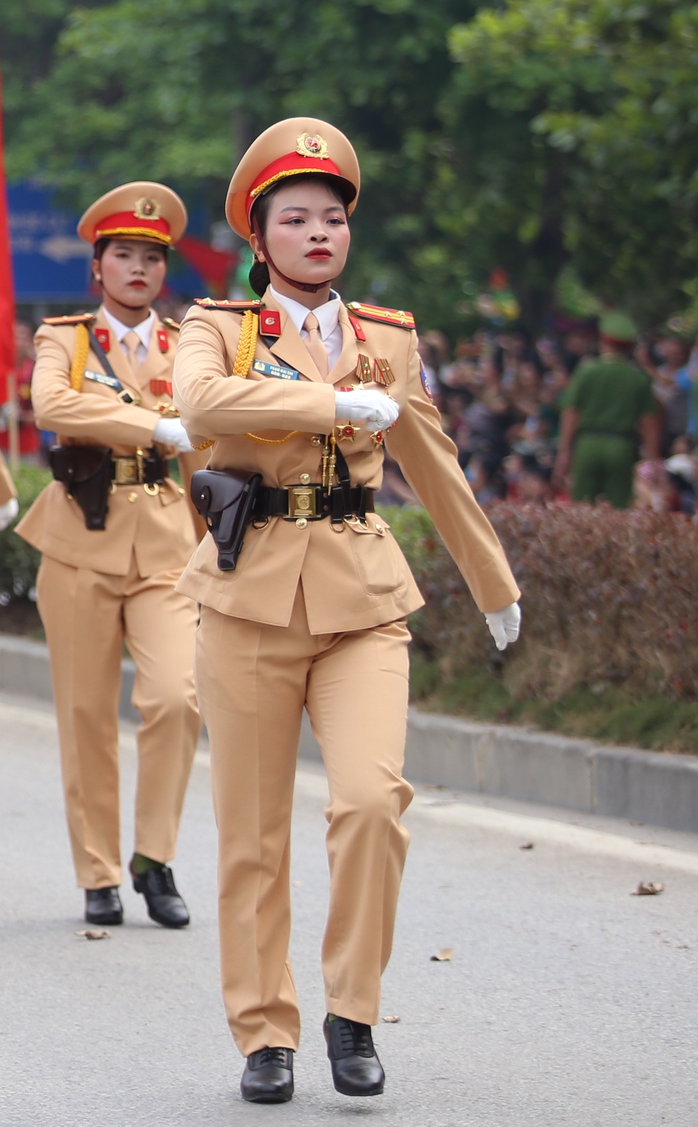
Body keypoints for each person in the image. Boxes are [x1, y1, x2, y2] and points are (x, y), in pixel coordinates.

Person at [177, 118, 521, 1104]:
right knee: (250, 832)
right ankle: (263, 1031)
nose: (319, 234)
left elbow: (436, 466)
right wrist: (330, 409)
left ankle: (352, 1009)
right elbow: (199, 406)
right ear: (260, 238)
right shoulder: (219, 326)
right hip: (246, 600)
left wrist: (492, 583)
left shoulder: (386, 339)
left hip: (362, 596)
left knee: (371, 803)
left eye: (332, 218)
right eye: (296, 219)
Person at [14, 183, 203, 928]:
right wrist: (154, 424)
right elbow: (53, 406)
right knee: (86, 713)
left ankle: (155, 855)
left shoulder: (187, 343)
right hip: (78, 539)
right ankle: (98, 868)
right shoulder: (65, 337)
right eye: (123, 254)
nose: (137, 268)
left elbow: (208, 431)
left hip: (163, 537)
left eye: (151, 257)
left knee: (176, 698)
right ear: (98, 266)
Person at [555, 313, 661, 509]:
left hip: (587, 445)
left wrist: (564, 452)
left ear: (602, 340)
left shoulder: (586, 371)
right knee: (619, 509)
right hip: (621, 446)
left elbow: (571, 413)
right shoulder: (637, 377)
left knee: (582, 507)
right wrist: (652, 459)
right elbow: (649, 421)